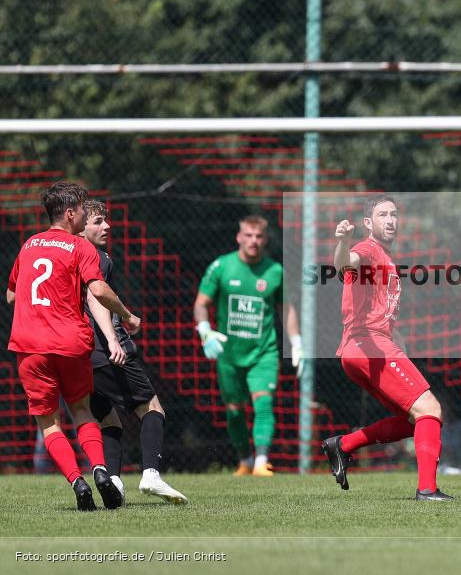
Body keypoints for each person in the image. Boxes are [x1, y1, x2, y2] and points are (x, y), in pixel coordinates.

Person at [6, 182, 140, 510]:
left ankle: (77, 481)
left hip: (31, 347)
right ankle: (99, 470)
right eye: (82, 209)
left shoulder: (28, 245)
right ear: (69, 214)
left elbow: (11, 295)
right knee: (81, 411)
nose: (85, 214)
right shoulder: (81, 248)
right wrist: (127, 314)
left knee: (49, 423)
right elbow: (99, 290)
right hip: (71, 344)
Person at [323, 195, 453, 501]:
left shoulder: (387, 258)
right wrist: (342, 241)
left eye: (394, 214)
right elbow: (344, 264)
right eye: (383, 215)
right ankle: (427, 490)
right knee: (431, 410)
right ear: (368, 223)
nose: (391, 220)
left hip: (364, 349)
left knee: (416, 421)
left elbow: (386, 318)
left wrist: (400, 345)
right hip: (369, 346)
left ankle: (342, 445)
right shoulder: (367, 249)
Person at [81, 200, 187, 504]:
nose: (107, 227)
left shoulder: (65, 255)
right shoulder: (96, 256)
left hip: (75, 353)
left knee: (108, 420)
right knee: (152, 408)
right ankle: (151, 475)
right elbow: (95, 295)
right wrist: (120, 328)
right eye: (99, 221)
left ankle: (113, 481)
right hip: (103, 349)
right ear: (81, 226)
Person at [193, 215, 302, 477]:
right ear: (239, 237)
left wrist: (296, 342)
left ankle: (262, 462)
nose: (254, 241)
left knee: (263, 404)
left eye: (259, 237)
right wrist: (205, 331)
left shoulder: (275, 272)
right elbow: (200, 304)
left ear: (265, 239)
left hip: (263, 352)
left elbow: (287, 309)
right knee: (234, 412)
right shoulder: (221, 266)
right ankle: (245, 460)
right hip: (229, 355)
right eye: (249, 236)